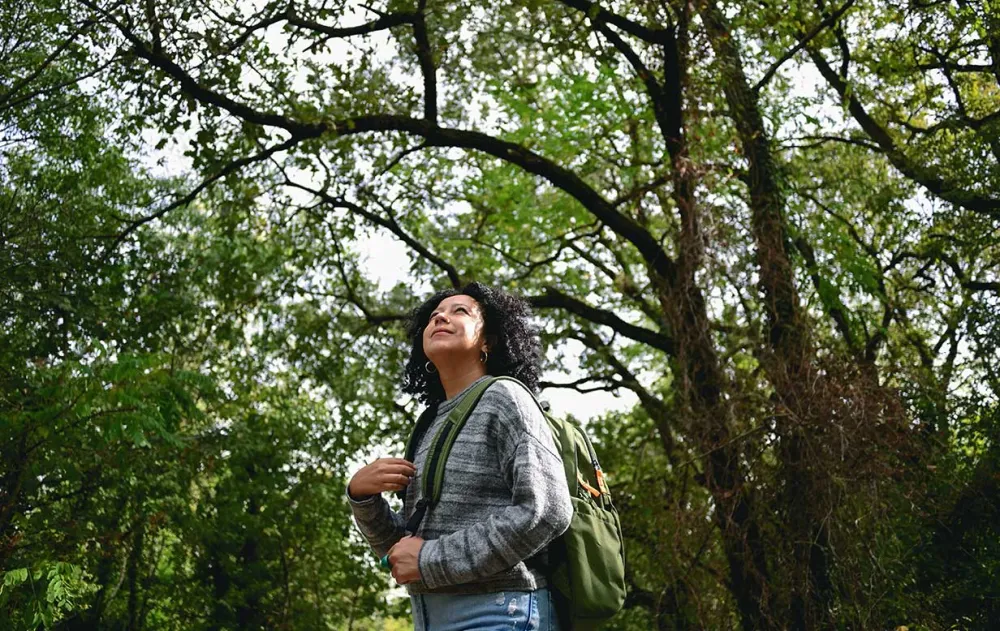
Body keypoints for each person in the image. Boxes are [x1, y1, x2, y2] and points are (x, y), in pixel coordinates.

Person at [347, 282, 573, 630]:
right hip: (430, 616)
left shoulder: (505, 398)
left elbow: (546, 510)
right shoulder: (429, 424)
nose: (441, 317)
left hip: (500, 613)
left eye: (460, 311)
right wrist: (362, 498)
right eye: (434, 315)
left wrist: (430, 560)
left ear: (489, 340)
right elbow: (405, 553)